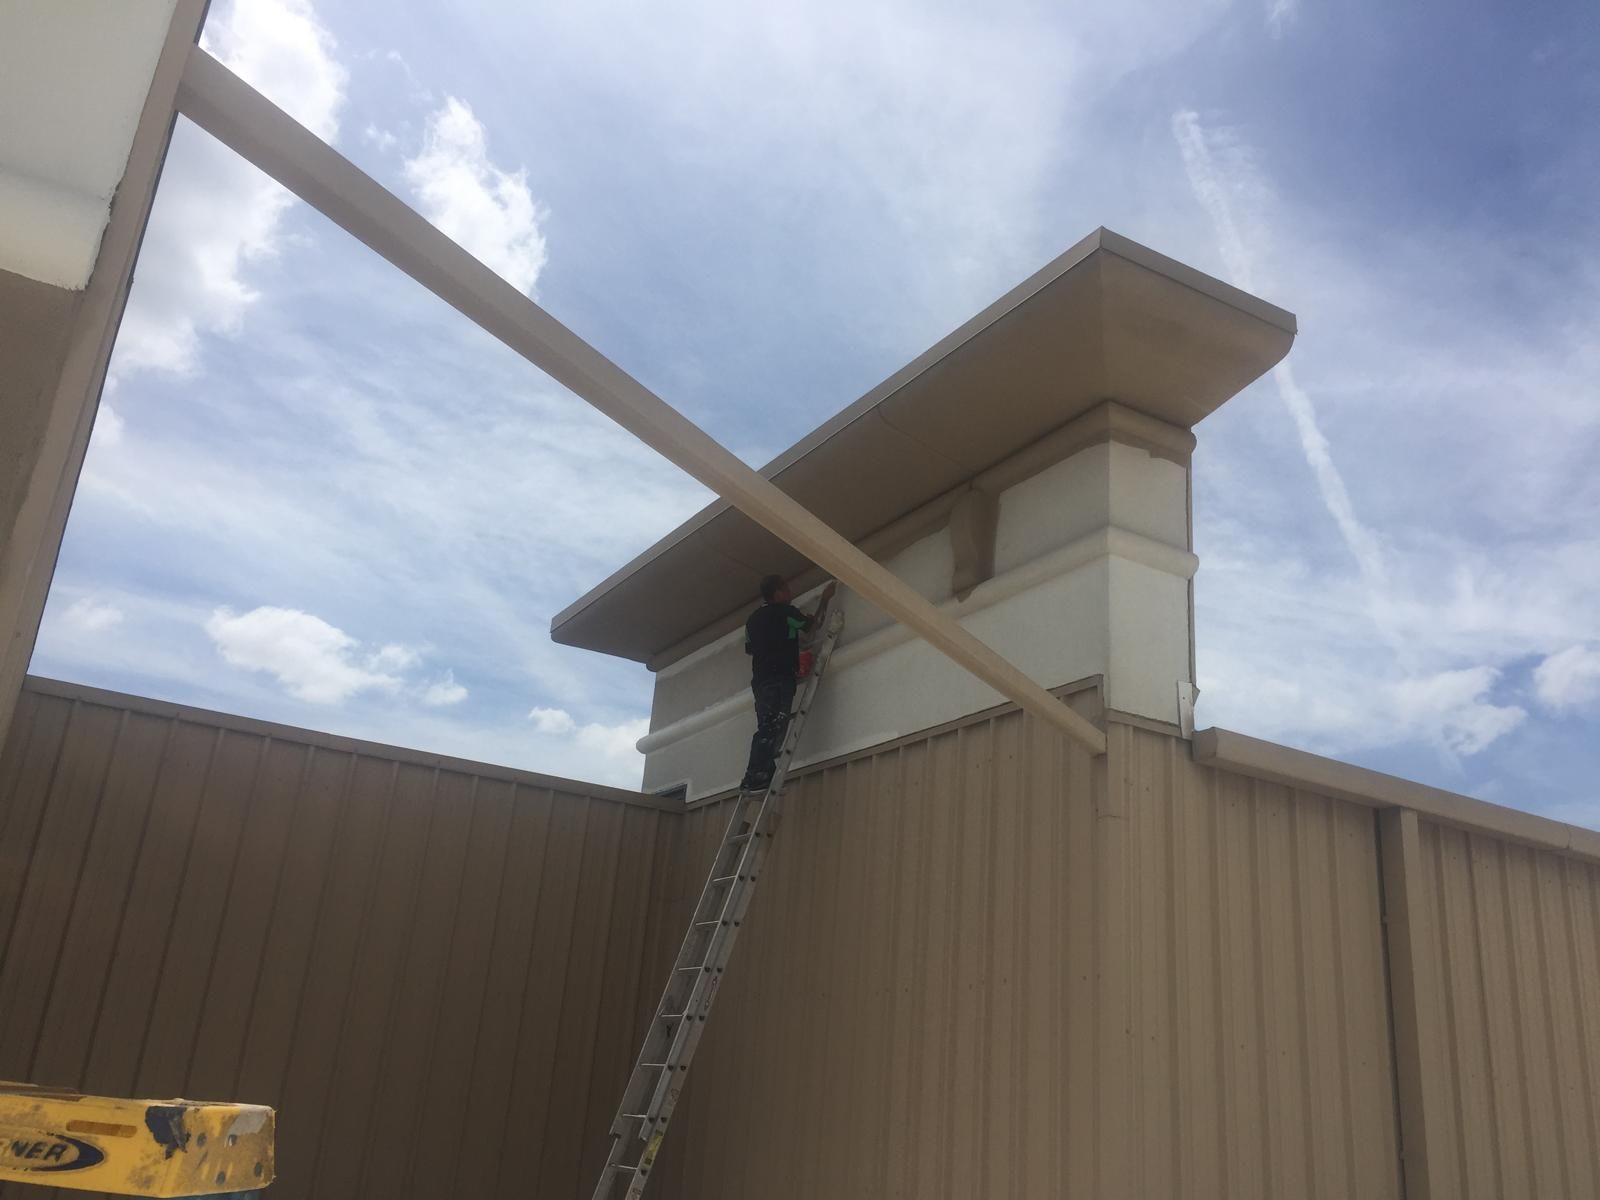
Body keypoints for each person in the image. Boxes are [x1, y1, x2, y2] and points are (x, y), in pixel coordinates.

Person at [739, 574, 837, 791]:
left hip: (761, 681)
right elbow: (813, 628)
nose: (791, 594)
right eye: (787, 590)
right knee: (774, 726)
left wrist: (781, 640)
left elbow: (750, 649)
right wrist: (825, 599)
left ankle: (760, 774)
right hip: (780, 678)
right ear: (778, 593)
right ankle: (756, 777)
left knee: (766, 726)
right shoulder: (786, 613)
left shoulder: (752, 620)